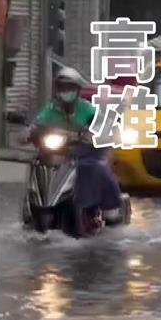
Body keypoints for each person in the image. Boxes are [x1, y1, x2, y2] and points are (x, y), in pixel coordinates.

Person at [30, 67, 123, 225]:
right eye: (62, 88)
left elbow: (104, 123)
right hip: (59, 153)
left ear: (78, 90)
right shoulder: (51, 109)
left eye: (70, 88)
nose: (66, 91)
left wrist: (93, 134)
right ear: (57, 90)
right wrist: (29, 131)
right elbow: (37, 125)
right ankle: (31, 207)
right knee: (38, 165)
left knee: (93, 167)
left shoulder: (86, 108)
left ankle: (109, 208)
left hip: (84, 152)